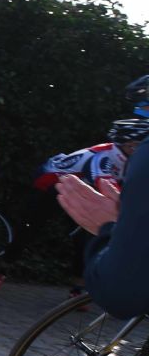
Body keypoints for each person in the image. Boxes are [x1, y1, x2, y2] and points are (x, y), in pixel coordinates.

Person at [56, 117, 149, 319]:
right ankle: (77, 287)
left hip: (81, 194)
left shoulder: (133, 156)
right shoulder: (105, 157)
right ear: (127, 145)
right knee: (83, 238)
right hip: (56, 188)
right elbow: (103, 184)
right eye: (136, 145)